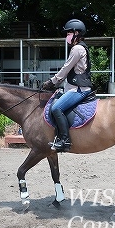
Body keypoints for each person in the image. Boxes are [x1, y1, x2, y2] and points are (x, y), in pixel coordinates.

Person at [42, 19, 93, 152]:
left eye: (69, 33)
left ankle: (65, 140)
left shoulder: (77, 48)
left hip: (79, 89)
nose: (67, 36)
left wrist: (52, 82)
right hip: (75, 87)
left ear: (77, 33)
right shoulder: (80, 47)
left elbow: (65, 69)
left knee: (56, 108)